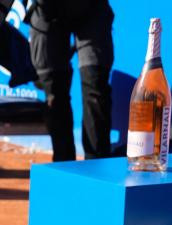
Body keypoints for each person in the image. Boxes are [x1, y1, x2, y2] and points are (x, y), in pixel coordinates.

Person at [28, 0, 115, 162]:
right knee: (53, 90)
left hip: (92, 10)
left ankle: (97, 167)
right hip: (45, 10)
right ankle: (63, 166)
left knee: (95, 84)